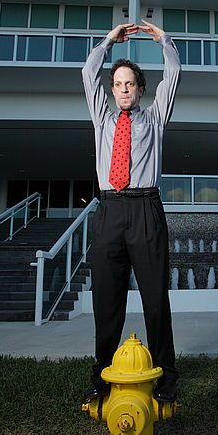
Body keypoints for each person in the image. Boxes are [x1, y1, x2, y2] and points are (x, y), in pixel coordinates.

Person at [81, 20, 181, 404]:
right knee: (106, 299)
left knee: (155, 298)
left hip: (145, 209)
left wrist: (163, 39)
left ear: (141, 90)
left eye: (130, 84)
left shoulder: (154, 118)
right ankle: (101, 379)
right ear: (112, 90)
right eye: (118, 84)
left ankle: (167, 381)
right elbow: (88, 71)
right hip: (109, 210)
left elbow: (173, 72)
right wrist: (109, 40)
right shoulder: (102, 119)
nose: (124, 90)